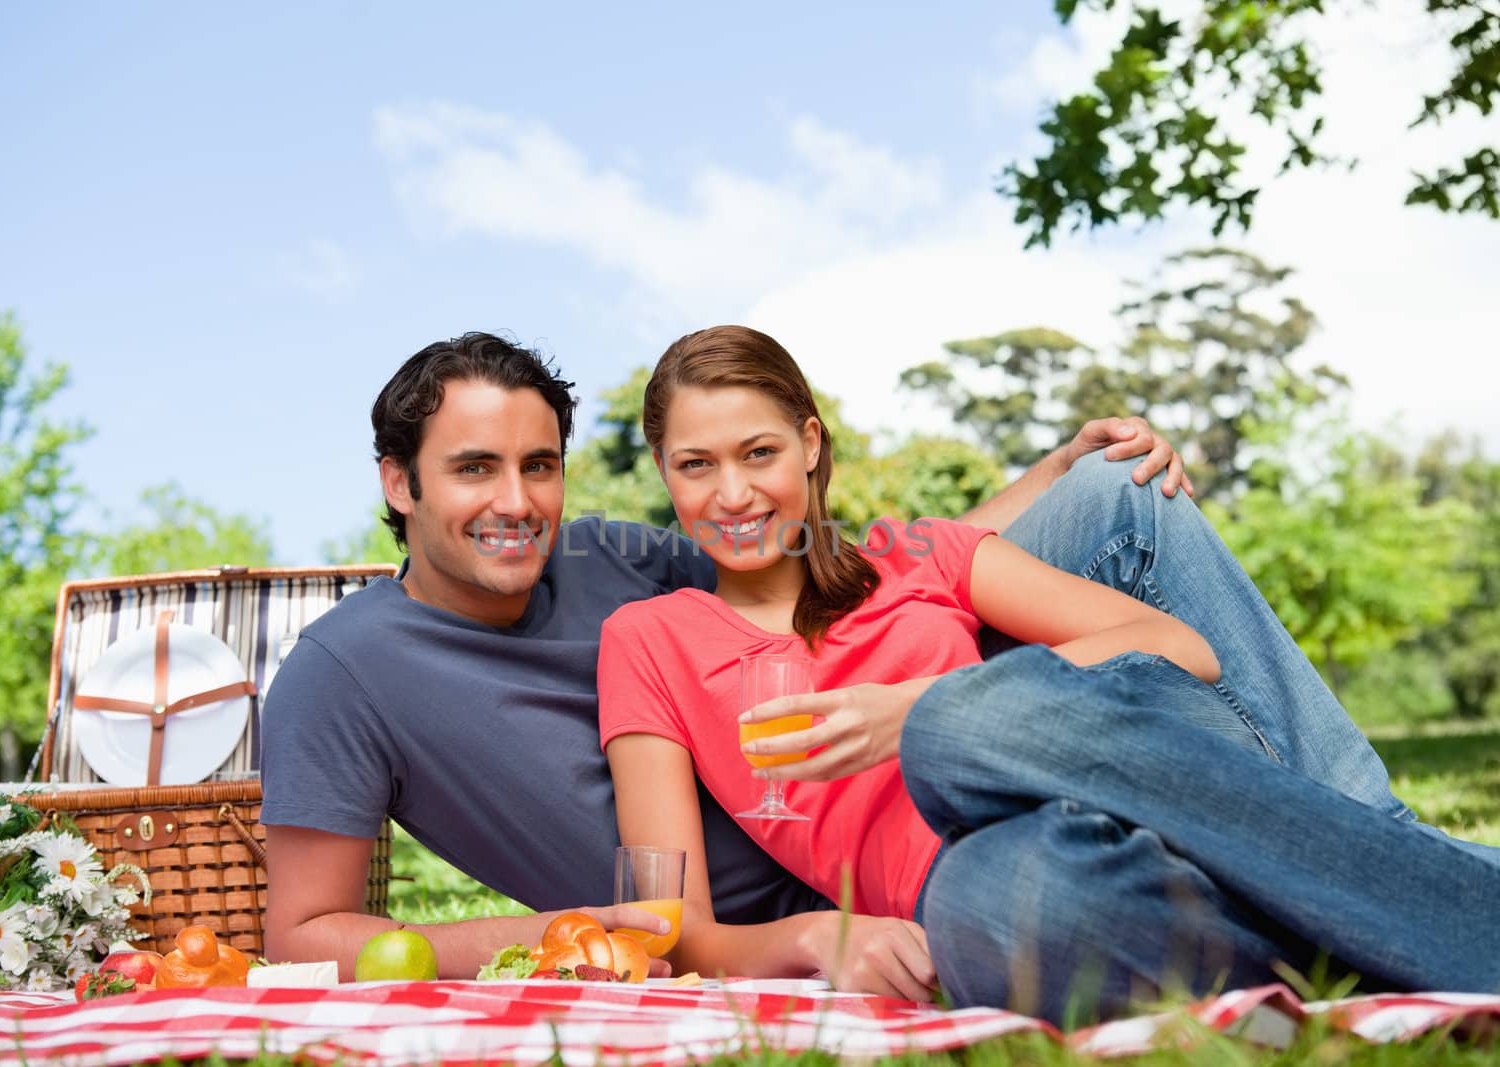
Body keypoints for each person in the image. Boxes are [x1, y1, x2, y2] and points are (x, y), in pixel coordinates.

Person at [597, 324, 1499, 1020]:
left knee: (950, 727)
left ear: (810, 444)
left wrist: (912, 708)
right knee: (1004, 908)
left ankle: (1449, 916)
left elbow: (1177, 647)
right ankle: (1373, 936)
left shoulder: (913, 554)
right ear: (666, 476)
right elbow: (669, 929)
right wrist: (815, 933)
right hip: (994, 875)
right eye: (695, 465)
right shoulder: (649, 638)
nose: (735, 494)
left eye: (759, 452)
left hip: (1152, 782)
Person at [256, 330, 1206, 979]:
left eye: (538, 465)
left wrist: (1051, 478)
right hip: (743, 924)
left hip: (880, 812)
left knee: (1115, 487)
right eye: (473, 468)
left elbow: (830, 575)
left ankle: (1326, 810)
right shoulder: (341, 672)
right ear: (399, 481)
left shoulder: (609, 557)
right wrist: (563, 933)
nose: (516, 501)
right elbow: (302, 934)